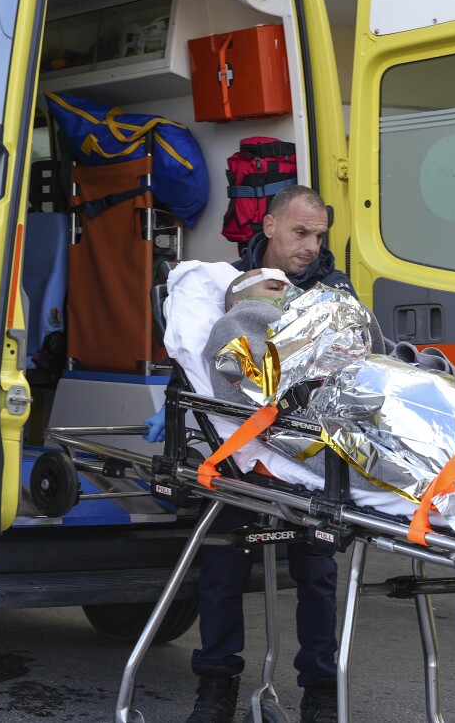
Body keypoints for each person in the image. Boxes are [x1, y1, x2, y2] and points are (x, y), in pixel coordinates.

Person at [144, 186, 353, 723]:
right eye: (300, 233)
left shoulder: (332, 290)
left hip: (305, 450)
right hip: (239, 447)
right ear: (268, 227)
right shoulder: (233, 285)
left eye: (319, 236)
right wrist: (174, 409)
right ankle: (215, 688)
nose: (311, 246)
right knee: (221, 561)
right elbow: (197, 357)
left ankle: (321, 695)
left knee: (317, 568)